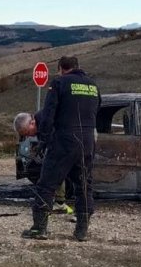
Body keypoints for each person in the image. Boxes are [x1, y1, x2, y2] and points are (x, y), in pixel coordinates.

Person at [22, 55, 100, 241]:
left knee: (47, 184)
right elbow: (97, 108)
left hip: (64, 140)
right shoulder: (93, 85)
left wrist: (44, 140)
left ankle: (39, 228)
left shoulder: (59, 83)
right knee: (83, 185)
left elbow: (49, 113)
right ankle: (81, 231)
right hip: (87, 141)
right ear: (77, 66)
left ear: (60, 69)